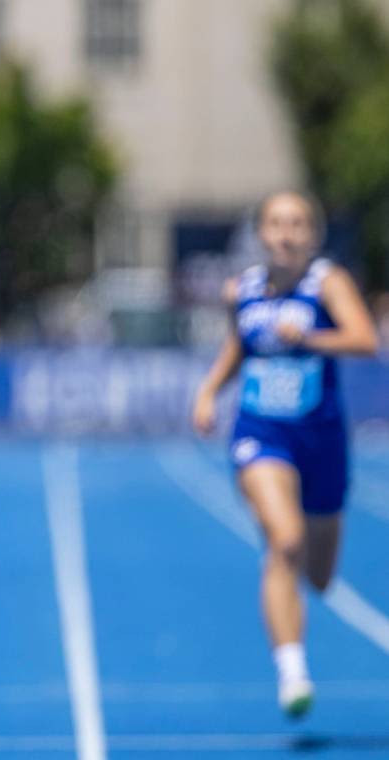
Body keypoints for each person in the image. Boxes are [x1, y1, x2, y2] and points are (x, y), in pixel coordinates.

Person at [192, 191, 378, 719]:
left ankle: (293, 592)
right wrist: (209, 392)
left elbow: (365, 340)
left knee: (319, 576)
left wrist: (312, 337)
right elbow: (238, 348)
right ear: (262, 233)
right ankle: (292, 670)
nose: (286, 233)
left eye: (297, 223)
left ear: (312, 235)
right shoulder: (244, 290)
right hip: (261, 434)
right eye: (276, 223)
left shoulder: (328, 283)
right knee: (286, 540)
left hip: (320, 442)